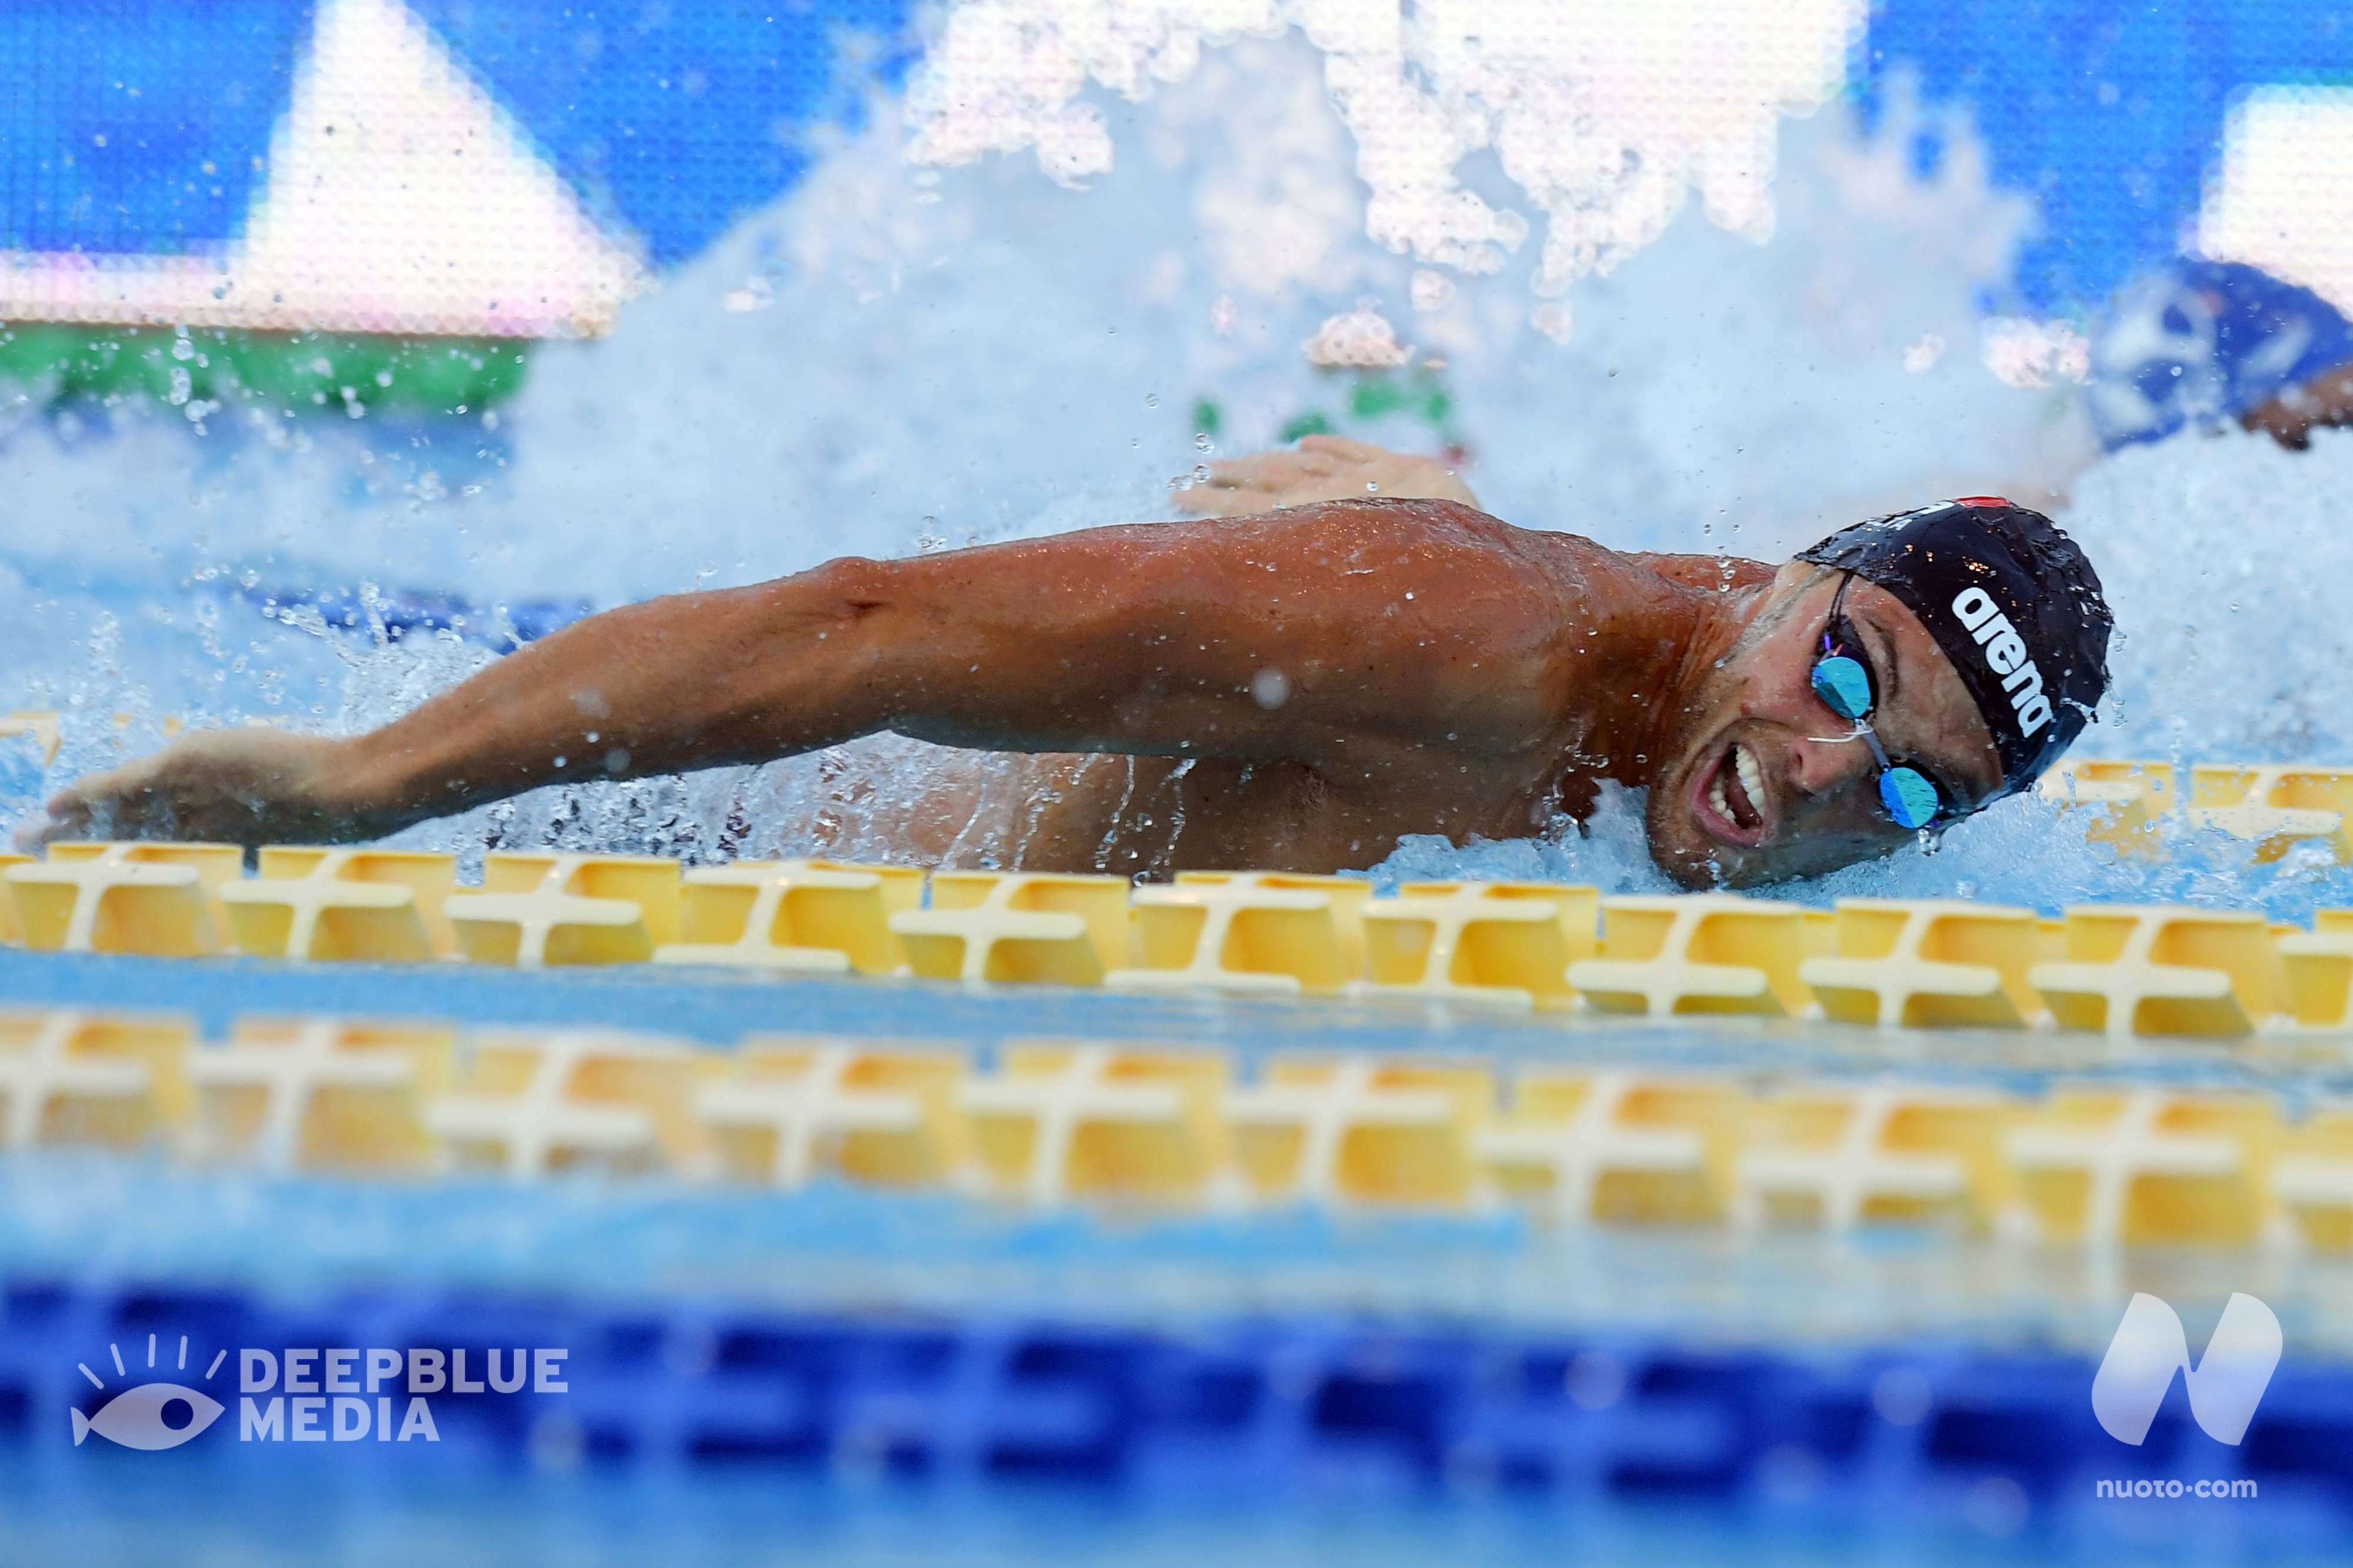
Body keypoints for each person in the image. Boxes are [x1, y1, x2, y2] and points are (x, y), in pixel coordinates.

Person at [16, 436, 2113, 889]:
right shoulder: (1474, 636)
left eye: (1913, 788)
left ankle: (1301, 489)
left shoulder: (1780, 695)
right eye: (1845, 686)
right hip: (800, 841)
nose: (1828, 783)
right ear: (1784, 584)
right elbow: (870, 622)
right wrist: (370, 783)